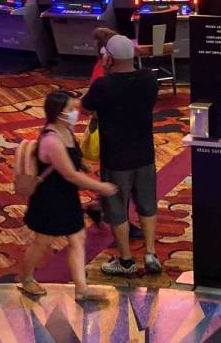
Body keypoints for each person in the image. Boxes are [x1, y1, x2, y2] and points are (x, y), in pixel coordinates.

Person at [19, 91, 117, 301]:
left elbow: (72, 161)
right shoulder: (52, 140)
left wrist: (82, 163)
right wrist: (100, 187)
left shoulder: (66, 131)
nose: (75, 113)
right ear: (58, 113)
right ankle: (26, 278)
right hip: (50, 199)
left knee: (77, 238)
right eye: (70, 109)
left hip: (66, 196)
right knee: (42, 241)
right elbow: (70, 174)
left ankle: (81, 289)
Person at [81, 35, 161, 276]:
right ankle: (150, 253)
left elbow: (86, 106)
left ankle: (126, 260)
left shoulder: (104, 85)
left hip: (116, 156)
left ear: (109, 58)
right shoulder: (149, 79)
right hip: (144, 152)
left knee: (117, 208)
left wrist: (105, 73)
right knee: (147, 203)